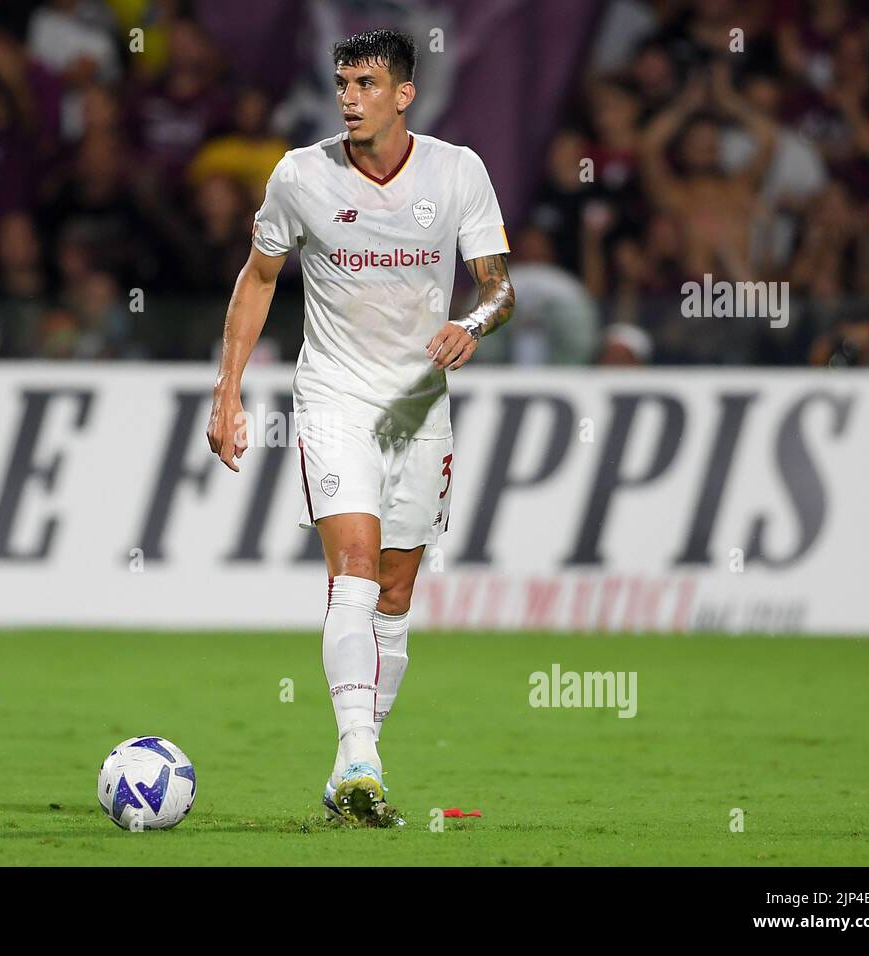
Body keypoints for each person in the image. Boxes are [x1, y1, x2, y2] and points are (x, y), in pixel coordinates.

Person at [205, 30, 515, 825]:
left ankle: (353, 768)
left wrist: (472, 325)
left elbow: (499, 290)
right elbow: (260, 276)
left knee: (397, 591)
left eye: (366, 82)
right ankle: (362, 758)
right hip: (335, 397)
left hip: (419, 409)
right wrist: (228, 390)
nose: (348, 96)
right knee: (355, 565)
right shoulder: (302, 174)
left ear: (403, 94)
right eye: (342, 81)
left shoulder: (457, 171)